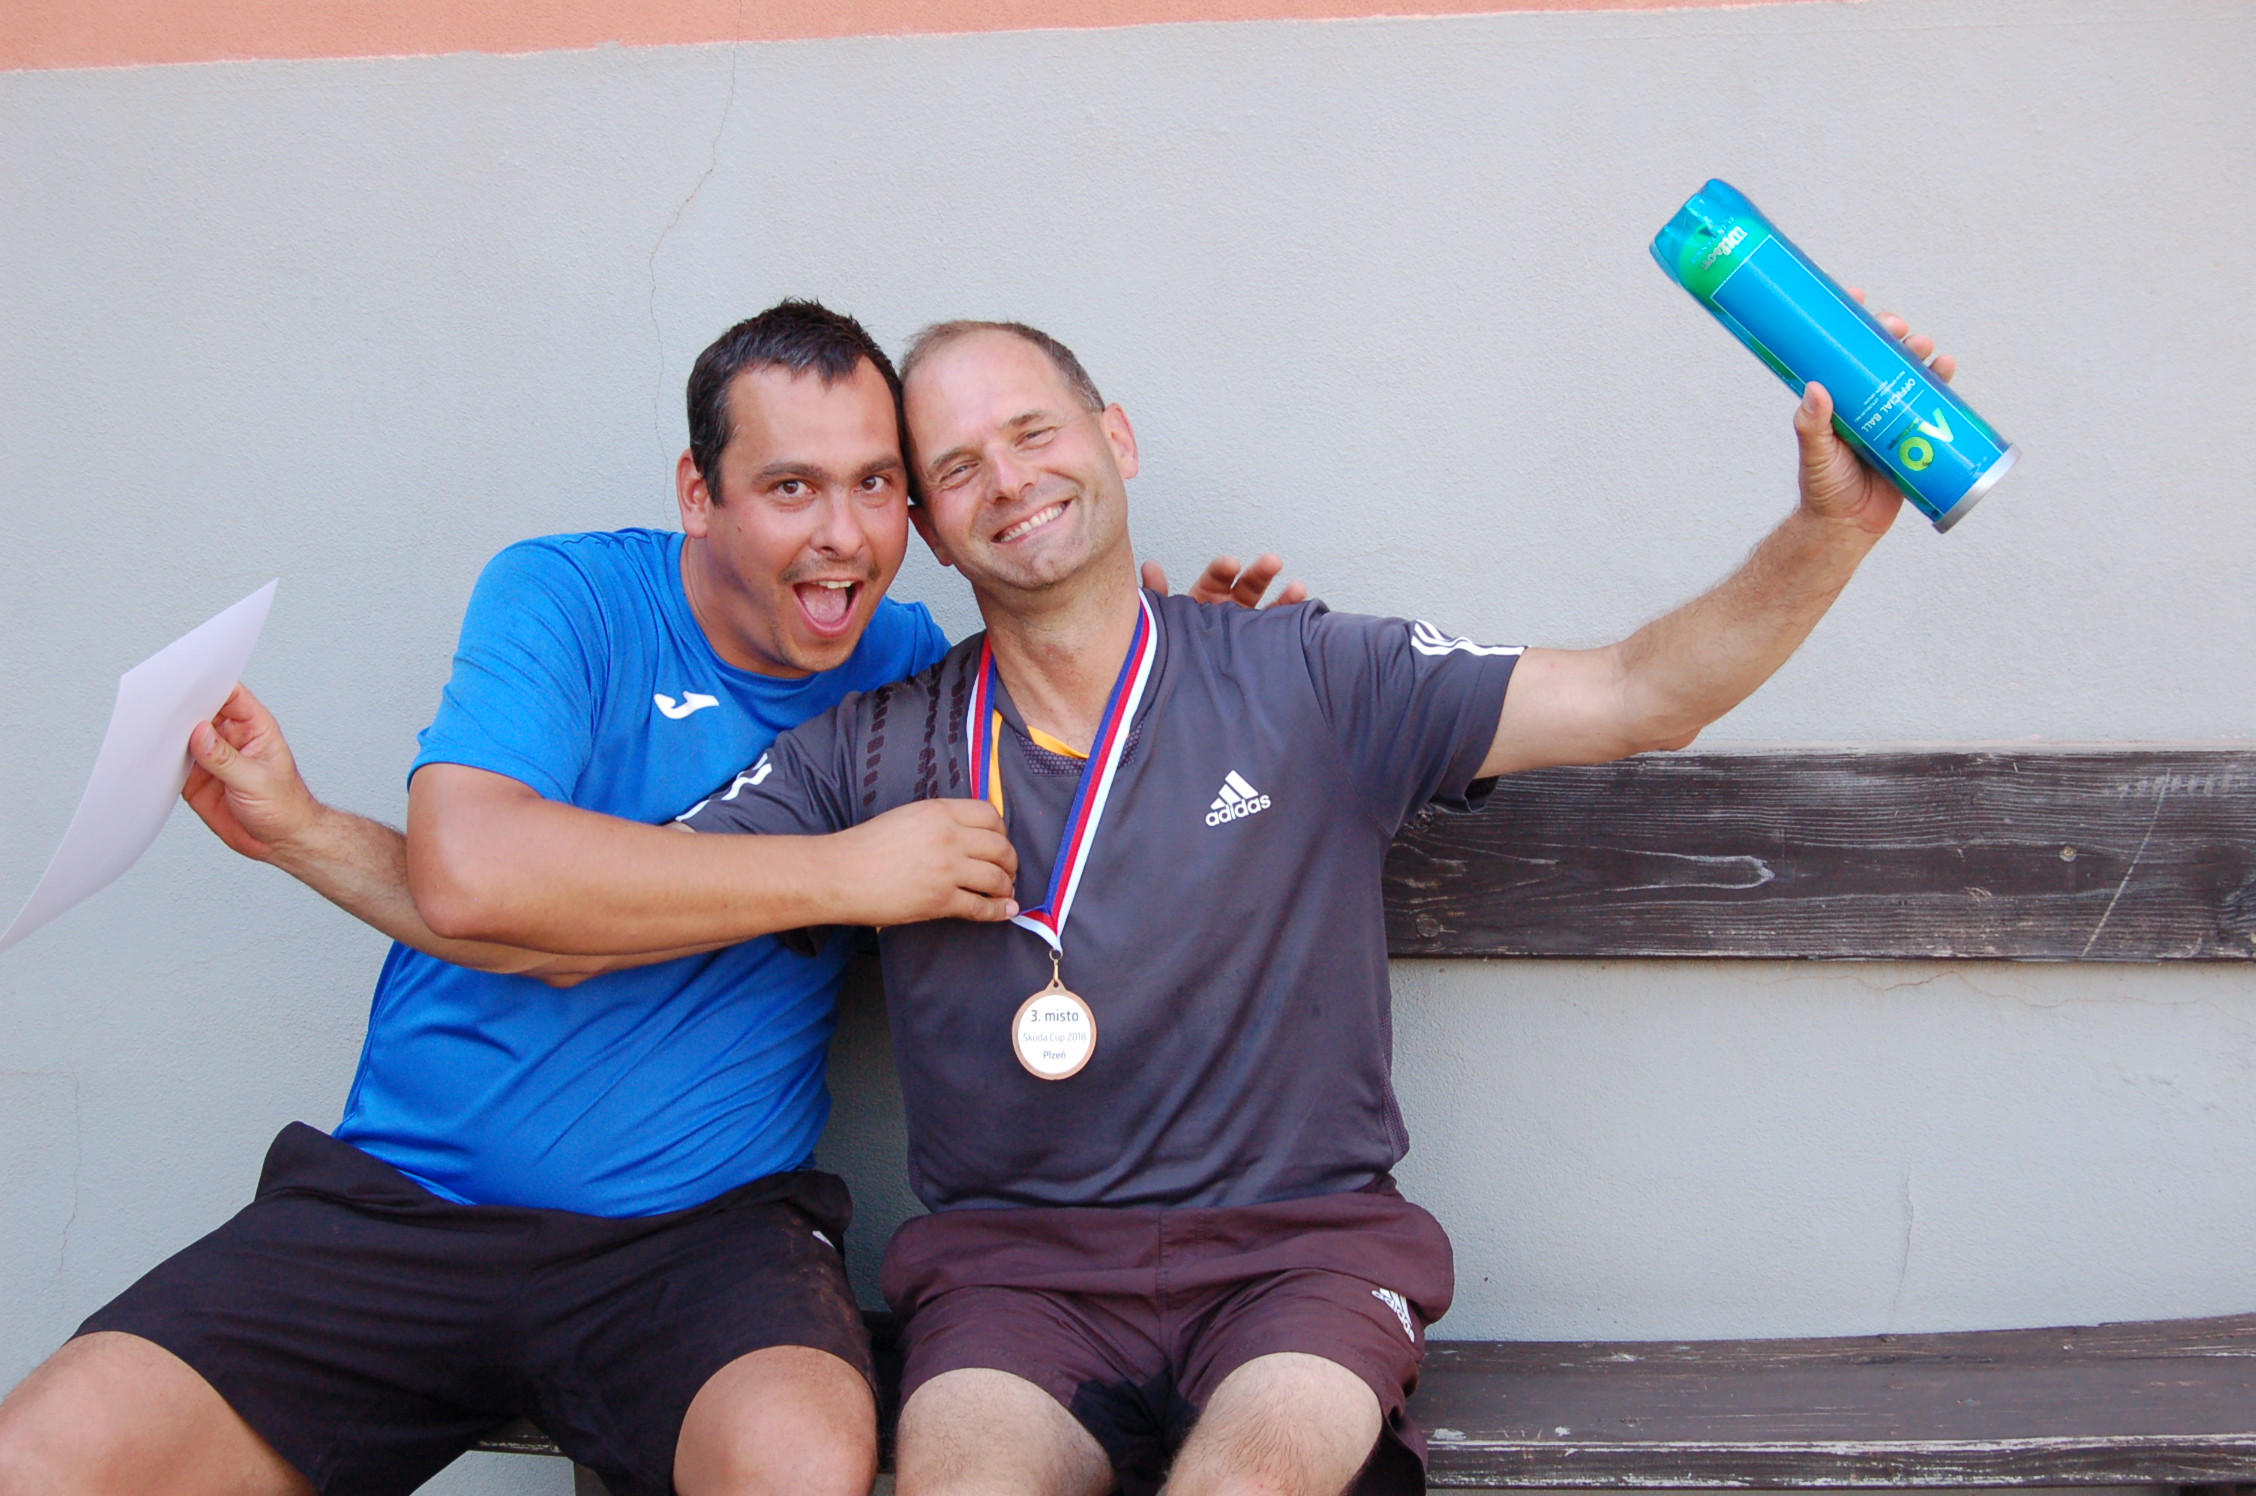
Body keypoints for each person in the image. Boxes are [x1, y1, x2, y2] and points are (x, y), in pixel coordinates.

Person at [0, 298, 1285, 1496]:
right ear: (698, 493)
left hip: (705, 1241)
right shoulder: (569, 596)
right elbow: (478, 876)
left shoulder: (906, 670)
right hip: (403, 1206)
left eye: (875, 484)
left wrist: (1178, 677)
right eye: (790, 485)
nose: (843, 533)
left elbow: (1082, 760)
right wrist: (842, 870)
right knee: (41, 1454)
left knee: (799, 1463)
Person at [676, 309, 1959, 1496]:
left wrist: (1829, 530)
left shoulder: (1312, 673)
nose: (1009, 480)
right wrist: (837, 870)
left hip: (1300, 1262)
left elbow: (1639, 692)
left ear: (1115, 439)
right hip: (1016, 1283)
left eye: (1035, 432)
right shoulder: (873, 749)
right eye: (958, 466)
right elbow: (630, 890)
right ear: (929, 525)